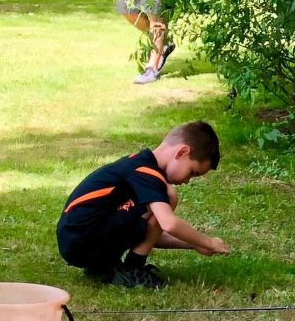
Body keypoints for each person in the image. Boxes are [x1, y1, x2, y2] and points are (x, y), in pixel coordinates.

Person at [57, 121, 230, 288]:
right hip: (84, 239)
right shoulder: (147, 173)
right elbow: (168, 224)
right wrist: (208, 242)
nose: (187, 181)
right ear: (181, 152)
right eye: (192, 172)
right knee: (170, 196)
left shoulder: (139, 165)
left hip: (77, 241)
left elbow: (150, 235)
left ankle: (103, 267)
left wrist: (193, 244)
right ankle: (134, 269)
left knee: (163, 200)